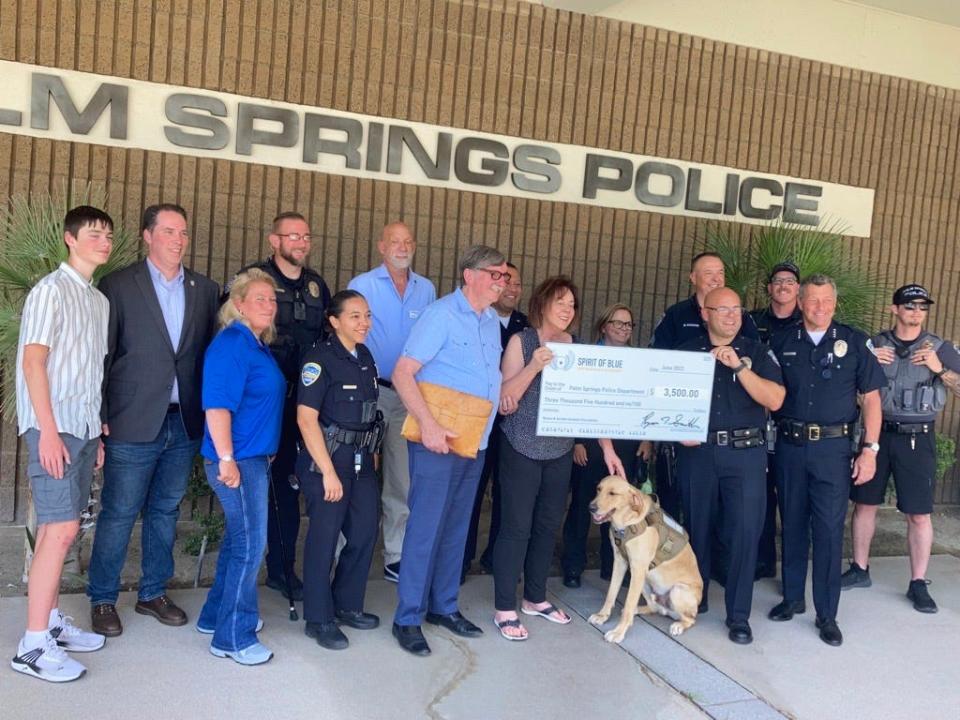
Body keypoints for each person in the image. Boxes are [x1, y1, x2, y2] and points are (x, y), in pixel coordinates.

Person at [88, 203, 219, 637]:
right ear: (147, 235)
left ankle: (152, 593)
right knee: (119, 513)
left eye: (183, 232)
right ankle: (103, 598)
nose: (178, 240)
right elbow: (102, 357)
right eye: (168, 231)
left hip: (182, 423)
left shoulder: (205, 289)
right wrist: (100, 418)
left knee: (164, 510)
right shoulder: (118, 285)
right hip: (131, 420)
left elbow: (205, 357)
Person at [11, 206, 113, 683]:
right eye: (94, 233)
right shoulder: (49, 291)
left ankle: (49, 624)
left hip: (84, 428)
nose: (104, 240)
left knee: (67, 529)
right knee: (58, 530)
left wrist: (96, 431)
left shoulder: (98, 300)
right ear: (70, 239)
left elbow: (91, 373)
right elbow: (34, 363)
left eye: (108, 234)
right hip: (52, 428)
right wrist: (48, 431)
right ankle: (31, 647)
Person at [391, 245, 508, 657]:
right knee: (425, 528)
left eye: (505, 275)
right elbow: (403, 373)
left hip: (474, 439)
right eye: (495, 274)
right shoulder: (441, 314)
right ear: (470, 275)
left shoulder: (492, 321)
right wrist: (428, 425)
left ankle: (443, 606)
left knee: (457, 527)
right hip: (437, 440)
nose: (502, 281)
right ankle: (407, 618)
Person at [768, 274, 884, 646]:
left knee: (830, 531)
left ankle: (827, 614)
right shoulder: (782, 341)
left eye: (827, 301)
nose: (820, 308)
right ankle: (792, 598)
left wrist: (870, 449)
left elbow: (871, 399)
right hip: (789, 446)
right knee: (793, 523)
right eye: (813, 301)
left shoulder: (853, 342)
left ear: (835, 303)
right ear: (800, 302)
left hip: (833, 451)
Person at [674, 288, 785, 644]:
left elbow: (776, 399)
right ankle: (696, 598)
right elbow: (661, 395)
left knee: (743, 534)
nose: (731, 315)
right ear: (705, 313)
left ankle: (738, 616)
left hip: (745, 455)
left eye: (736, 309)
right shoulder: (685, 351)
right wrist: (676, 431)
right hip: (699, 454)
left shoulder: (756, 350)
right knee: (696, 529)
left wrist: (739, 367)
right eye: (722, 309)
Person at [230, 212, 331, 601]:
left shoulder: (315, 285)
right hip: (260, 406)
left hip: (302, 407)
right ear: (274, 241)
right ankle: (242, 575)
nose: (302, 242)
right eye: (293, 235)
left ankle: (282, 570)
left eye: (306, 235)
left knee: (289, 488)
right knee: (256, 488)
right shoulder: (253, 280)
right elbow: (231, 337)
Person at [843, 284, 960, 613]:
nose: (916, 312)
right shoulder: (873, 344)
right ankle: (860, 569)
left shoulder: (940, 347)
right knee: (864, 505)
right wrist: (865, 363)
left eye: (922, 307)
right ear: (895, 309)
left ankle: (918, 582)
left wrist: (940, 369)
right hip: (877, 435)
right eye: (909, 306)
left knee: (919, 514)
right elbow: (843, 387)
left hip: (917, 436)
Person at [196, 269, 286, 665]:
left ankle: (215, 616)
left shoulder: (255, 344)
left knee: (238, 541)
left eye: (272, 299)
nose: (269, 305)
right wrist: (228, 459)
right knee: (251, 546)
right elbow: (217, 405)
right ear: (239, 304)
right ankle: (233, 637)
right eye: (260, 299)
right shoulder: (232, 343)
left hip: (252, 457)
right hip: (236, 460)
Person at [492, 276, 580, 641]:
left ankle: (535, 598)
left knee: (547, 526)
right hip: (521, 446)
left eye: (572, 305)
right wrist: (534, 366)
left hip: (559, 449)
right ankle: (504, 607)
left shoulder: (577, 346)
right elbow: (504, 397)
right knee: (516, 527)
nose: (566, 310)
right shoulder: (522, 340)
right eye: (560, 302)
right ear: (542, 303)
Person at [348, 221, 435, 584]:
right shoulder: (362, 286)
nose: (402, 247)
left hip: (409, 395)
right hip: (368, 392)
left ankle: (395, 555)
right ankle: (344, 552)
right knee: (355, 475)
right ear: (381, 246)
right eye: (395, 242)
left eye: (408, 241)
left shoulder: (426, 289)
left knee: (401, 479)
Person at [296, 291, 384, 650]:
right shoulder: (319, 359)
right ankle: (318, 618)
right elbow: (306, 419)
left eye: (367, 316)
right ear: (334, 321)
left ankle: (347, 603)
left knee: (364, 532)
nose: (364, 323)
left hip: (362, 459)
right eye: (354, 316)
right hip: (328, 461)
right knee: (324, 538)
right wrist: (328, 471)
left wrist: (373, 454)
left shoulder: (364, 356)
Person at [649, 252, 759, 521]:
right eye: (708, 273)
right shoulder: (675, 316)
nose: (716, 278)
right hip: (688, 437)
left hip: (735, 435)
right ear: (692, 278)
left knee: (732, 517)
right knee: (684, 511)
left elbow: (756, 361)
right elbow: (656, 367)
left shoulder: (742, 318)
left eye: (720, 272)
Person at [560, 303, 648, 588]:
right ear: (603, 326)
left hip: (627, 444)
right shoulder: (588, 356)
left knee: (622, 510)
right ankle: (573, 566)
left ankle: (613, 568)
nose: (623, 329)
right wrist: (577, 441)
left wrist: (647, 439)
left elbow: (646, 402)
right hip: (591, 444)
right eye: (618, 323)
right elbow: (577, 400)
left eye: (628, 324)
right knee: (584, 507)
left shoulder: (639, 361)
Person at [463, 260, 529, 580]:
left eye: (517, 283)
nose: (512, 288)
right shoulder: (479, 318)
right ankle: (461, 560)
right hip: (477, 419)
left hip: (513, 427)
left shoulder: (527, 327)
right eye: (507, 281)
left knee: (507, 494)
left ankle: (496, 558)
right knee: (472, 493)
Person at [749, 262, 802, 580]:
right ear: (769, 288)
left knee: (793, 501)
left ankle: (792, 575)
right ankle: (762, 562)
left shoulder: (807, 323)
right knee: (760, 495)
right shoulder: (751, 322)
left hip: (793, 421)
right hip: (756, 419)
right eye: (777, 280)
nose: (783, 285)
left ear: (798, 289)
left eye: (790, 281)